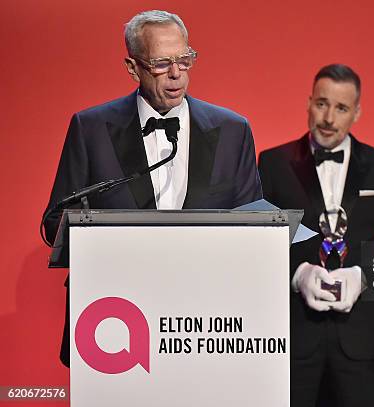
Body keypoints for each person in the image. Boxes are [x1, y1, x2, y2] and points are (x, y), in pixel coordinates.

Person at [43, 10, 262, 366]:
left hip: (206, 327)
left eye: (184, 59)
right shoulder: (91, 128)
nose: (177, 73)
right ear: (133, 68)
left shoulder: (233, 130)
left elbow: (255, 228)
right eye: (161, 63)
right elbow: (57, 223)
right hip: (113, 324)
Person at [258, 64, 374, 407]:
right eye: (321, 103)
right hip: (293, 336)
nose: (329, 117)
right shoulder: (273, 163)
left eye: (341, 108)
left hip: (361, 340)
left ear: (357, 112)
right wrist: (298, 274)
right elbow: (257, 244)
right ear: (308, 102)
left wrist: (362, 276)